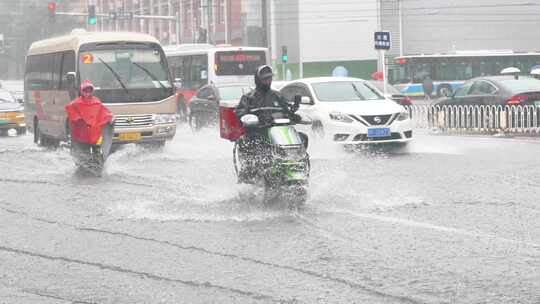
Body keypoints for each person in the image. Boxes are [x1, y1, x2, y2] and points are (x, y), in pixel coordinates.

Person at [234, 65, 301, 183]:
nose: (267, 81)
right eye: (265, 79)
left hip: (277, 132)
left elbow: (286, 109)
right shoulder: (249, 97)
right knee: (252, 145)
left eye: (269, 78)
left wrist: (293, 115)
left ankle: (297, 165)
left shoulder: (277, 95)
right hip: (258, 132)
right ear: (258, 80)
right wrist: (252, 119)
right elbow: (240, 112)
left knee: (302, 138)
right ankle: (249, 176)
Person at [65, 80, 113, 169]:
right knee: (83, 153)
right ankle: (83, 167)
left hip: (95, 134)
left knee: (97, 151)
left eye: (89, 90)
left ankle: (98, 167)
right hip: (82, 134)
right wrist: (79, 120)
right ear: (82, 91)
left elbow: (104, 112)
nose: (88, 92)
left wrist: (109, 119)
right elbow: (70, 111)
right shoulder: (76, 103)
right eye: (85, 90)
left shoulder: (97, 102)